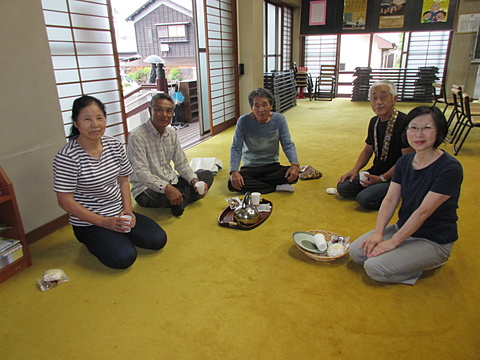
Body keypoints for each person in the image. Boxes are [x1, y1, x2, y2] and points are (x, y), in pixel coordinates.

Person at [349, 105, 463, 285]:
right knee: (356, 253)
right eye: (413, 127)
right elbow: (390, 199)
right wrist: (379, 233)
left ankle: (428, 262)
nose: (419, 134)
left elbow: (423, 211)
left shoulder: (449, 168)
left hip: (434, 240)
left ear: (439, 131)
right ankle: (403, 256)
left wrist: (393, 242)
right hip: (404, 227)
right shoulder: (404, 161)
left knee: (374, 268)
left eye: (427, 128)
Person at [53, 95, 167, 269]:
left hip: (119, 213)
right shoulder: (67, 157)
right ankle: (101, 238)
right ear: (76, 123)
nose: (95, 124)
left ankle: (117, 234)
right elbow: (64, 200)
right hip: (89, 223)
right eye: (87, 119)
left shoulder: (113, 145)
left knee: (158, 239)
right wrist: (103, 222)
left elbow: (123, 180)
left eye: (99, 118)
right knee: (124, 258)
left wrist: (128, 211)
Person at [127, 93, 214, 217]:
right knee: (164, 197)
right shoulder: (137, 136)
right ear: (150, 110)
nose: (164, 115)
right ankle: (181, 198)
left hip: (171, 180)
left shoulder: (171, 133)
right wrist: (167, 188)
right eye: (159, 110)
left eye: (169, 111)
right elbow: (141, 173)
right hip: (146, 189)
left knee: (206, 175)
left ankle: (180, 200)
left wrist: (194, 181)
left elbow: (181, 163)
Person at [337, 80, 413, 210]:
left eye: (383, 97)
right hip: (377, 171)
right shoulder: (374, 121)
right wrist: (355, 170)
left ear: (395, 99)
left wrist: (382, 178)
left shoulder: (405, 123)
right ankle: (378, 189)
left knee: (365, 199)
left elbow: (407, 160)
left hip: (397, 177)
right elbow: (368, 149)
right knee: (343, 187)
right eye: (374, 98)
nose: (378, 102)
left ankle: (397, 192)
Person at [228, 88, 300, 194]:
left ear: (271, 106)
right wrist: (234, 171)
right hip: (250, 167)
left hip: (271, 165)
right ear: (251, 108)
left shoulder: (279, 119)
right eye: (256, 106)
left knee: (293, 175)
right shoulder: (243, 121)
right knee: (232, 184)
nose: (261, 109)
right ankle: (275, 186)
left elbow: (287, 144)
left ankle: (258, 186)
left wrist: (295, 165)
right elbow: (236, 147)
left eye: (264, 105)